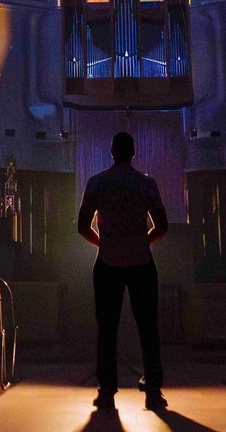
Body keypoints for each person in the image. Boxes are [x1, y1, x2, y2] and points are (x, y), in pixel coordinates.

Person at [77, 130, 169, 410]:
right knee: (148, 327)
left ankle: (107, 388)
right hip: (141, 262)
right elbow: (162, 225)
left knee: (107, 328)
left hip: (107, 262)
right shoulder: (146, 183)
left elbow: (82, 226)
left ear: (111, 152)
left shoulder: (97, 182)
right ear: (134, 153)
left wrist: (104, 243)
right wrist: (142, 242)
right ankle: (153, 387)